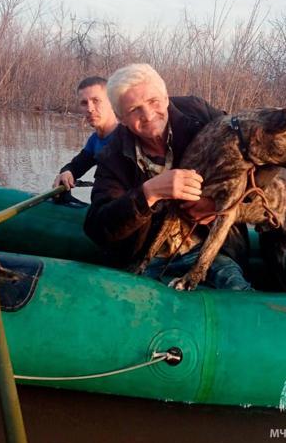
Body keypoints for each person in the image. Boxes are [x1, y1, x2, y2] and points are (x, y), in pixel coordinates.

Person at [84, 63, 251, 291]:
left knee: (238, 291)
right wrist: (149, 193)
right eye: (134, 110)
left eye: (154, 101)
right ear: (121, 118)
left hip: (209, 250)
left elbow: (262, 154)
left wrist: (215, 206)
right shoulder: (111, 155)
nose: (149, 115)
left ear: (165, 97)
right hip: (149, 256)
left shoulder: (199, 114)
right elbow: (98, 227)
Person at [53, 76, 118, 190]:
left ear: (112, 101)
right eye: (84, 103)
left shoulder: (128, 137)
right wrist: (67, 172)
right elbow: (78, 165)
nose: (90, 108)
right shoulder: (94, 140)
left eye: (96, 101)